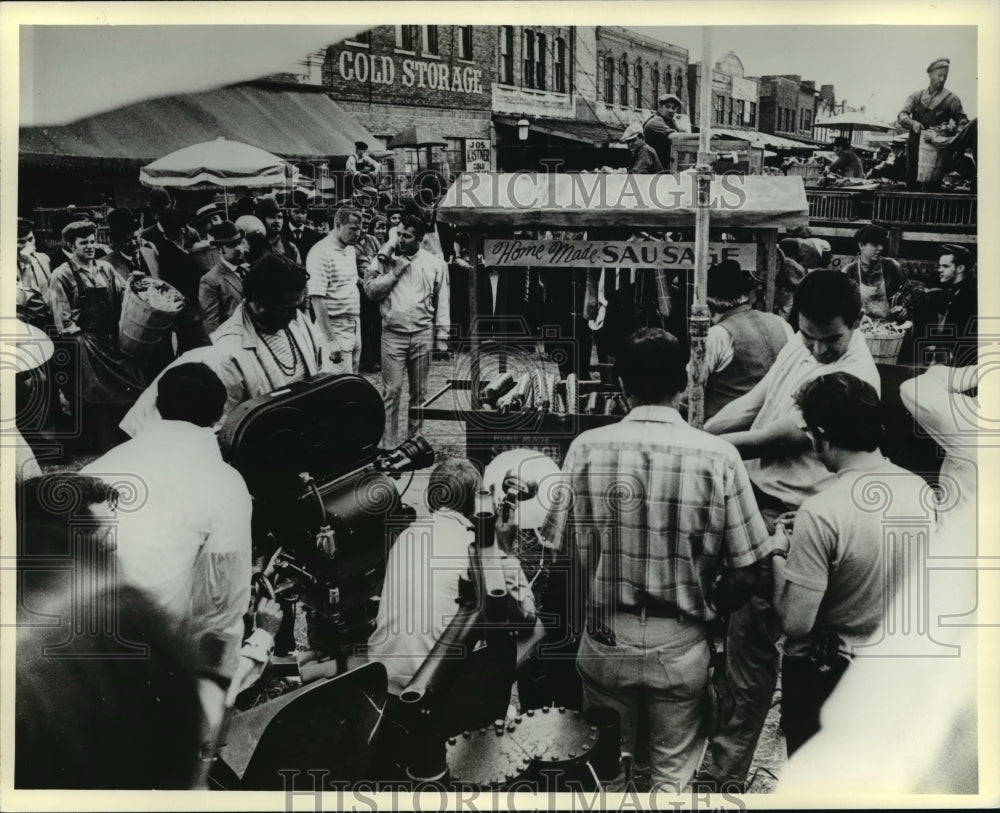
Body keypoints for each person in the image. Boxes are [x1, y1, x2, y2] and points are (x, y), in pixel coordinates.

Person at [540, 328, 777, 790]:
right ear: (686, 380)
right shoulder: (721, 457)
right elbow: (750, 571)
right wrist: (710, 610)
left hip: (605, 638)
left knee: (605, 772)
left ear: (622, 384)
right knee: (673, 776)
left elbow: (561, 557)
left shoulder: (585, 448)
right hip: (681, 642)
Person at [698, 270, 880, 790]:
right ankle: (725, 764)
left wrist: (701, 447)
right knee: (738, 645)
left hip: (801, 519)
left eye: (832, 339)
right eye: (810, 335)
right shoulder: (797, 343)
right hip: (758, 501)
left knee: (758, 649)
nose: (820, 349)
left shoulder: (855, 376)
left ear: (858, 323)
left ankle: (726, 777)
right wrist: (702, 430)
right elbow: (755, 400)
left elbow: (772, 438)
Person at [82, 362, 253, 728]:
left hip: (66, 657)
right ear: (220, 415)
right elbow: (221, 614)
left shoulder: (100, 467)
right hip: (141, 668)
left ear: (156, 406)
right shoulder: (224, 483)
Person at [771, 372, 929, 755]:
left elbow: (796, 622)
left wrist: (778, 552)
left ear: (822, 433)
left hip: (831, 676)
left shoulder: (822, 511)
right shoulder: (919, 489)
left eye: (810, 431)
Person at [368, 457, 535, 695]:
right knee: (537, 629)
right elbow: (525, 618)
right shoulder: (477, 549)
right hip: (433, 685)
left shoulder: (407, 535)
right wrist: (503, 549)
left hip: (383, 677)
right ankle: (492, 708)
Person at [120, 253, 335, 436]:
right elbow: (225, 429)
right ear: (259, 303)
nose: (296, 314)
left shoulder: (295, 317)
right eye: (287, 308)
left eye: (297, 306)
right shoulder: (227, 353)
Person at [45, 220, 146, 452]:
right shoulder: (61, 275)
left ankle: (133, 441)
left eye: (92, 241)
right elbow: (64, 320)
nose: (90, 246)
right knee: (98, 395)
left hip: (113, 338)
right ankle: (108, 446)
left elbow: (124, 296)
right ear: (71, 246)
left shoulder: (105, 268)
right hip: (86, 342)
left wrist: (133, 283)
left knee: (133, 384)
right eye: (83, 243)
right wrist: (81, 346)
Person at [363, 214, 451, 449]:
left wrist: (442, 335)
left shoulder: (434, 264)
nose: (401, 239)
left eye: (407, 236)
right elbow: (370, 292)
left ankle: (414, 443)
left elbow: (443, 300)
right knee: (391, 391)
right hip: (393, 334)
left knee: (419, 392)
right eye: (399, 234)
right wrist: (393, 269)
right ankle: (389, 445)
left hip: (422, 333)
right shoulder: (385, 258)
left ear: (420, 239)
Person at [692, 260, 793, 421]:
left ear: (708, 308)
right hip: (774, 427)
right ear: (749, 299)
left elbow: (691, 392)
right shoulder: (781, 324)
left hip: (724, 434)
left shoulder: (717, 335)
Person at [897, 57, 976, 189]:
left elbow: (963, 122)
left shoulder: (951, 99)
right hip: (914, 145)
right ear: (930, 74)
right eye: (939, 75)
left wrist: (954, 141)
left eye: (945, 76)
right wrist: (913, 123)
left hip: (936, 148)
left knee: (932, 184)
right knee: (912, 182)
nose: (942, 79)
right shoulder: (916, 96)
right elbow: (902, 115)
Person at [307, 205, 365, 375]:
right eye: (353, 229)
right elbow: (317, 299)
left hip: (354, 323)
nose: (358, 234)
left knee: (352, 382)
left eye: (360, 230)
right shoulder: (320, 252)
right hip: (334, 326)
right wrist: (331, 340)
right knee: (336, 386)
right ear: (338, 224)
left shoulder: (350, 249)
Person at [839, 224, 913, 323]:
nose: (880, 248)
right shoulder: (848, 272)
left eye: (882, 243)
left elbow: (907, 291)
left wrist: (903, 306)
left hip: (889, 327)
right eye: (875, 244)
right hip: (861, 329)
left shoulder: (892, 267)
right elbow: (841, 304)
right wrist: (856, 316)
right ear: (861, 245)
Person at [926, 243, 977, 365]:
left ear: (960, 269)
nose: (939, 270)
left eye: (945, 266)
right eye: (940, 265)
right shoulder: (960, 290)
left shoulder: (967, 296)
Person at [198, 219, 250, 335]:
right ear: (219, 249)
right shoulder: (210, 280)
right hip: (232, 339)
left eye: (240, 243)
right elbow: (210, 323)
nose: (239, 248)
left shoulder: (248, 270)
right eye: (232, 245)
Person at [356, 214, 387, 373]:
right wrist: (365, 284)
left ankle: (378, 357)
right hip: (361, 288)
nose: (364, 227)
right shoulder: (351, 244)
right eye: (362, 224)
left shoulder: (372, 240)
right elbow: (353, 271)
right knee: (366, 325)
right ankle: (367, 361)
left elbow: (380, 258)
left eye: (367, 224)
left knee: (378, 324)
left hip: (376, 285)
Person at [104, 207, 160, 283]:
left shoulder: (151, 253)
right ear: (116, 241)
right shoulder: (106, 264)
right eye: (126, 240)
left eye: (135, 237)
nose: (133, 243)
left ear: (140, 233)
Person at [642, 92, 686, 169]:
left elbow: (682, 133)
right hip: (651, 169)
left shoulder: (669, 122)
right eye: (667, 106)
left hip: (663, 167)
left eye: (674, 108)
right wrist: (703, 135)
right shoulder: (655, 122)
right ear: (660, 107)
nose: (671, 110)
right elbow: (675, 136)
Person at [255, 197, 302, 264]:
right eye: (272, 217)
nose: (277, 221)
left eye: (280, 217)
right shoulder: (254, 246)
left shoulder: (291, 248)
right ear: (262, 219)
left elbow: (299, 272)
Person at [284, 194, 322, 260]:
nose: (300, 216)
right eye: (296, 212)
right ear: (288, 212)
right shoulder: (281, 234)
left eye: (303, 213)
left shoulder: (315, 237)